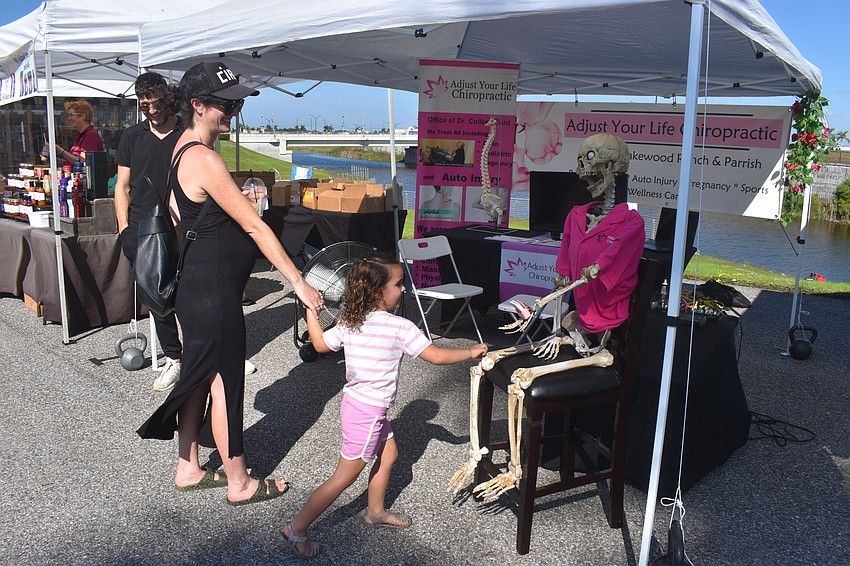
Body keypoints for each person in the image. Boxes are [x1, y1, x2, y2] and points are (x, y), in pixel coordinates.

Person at [137, 62, 323, 505]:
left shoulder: (179, 149)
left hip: (197, 287)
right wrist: (299, 283)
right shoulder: (204, 157)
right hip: (213, 292)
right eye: (227, 103)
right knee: (225, 382)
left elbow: (185, 222)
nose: (234, 112)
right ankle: (239, 482)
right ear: (197, 105)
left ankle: (188, 468)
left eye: (237, 102)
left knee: (199, 377)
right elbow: (258, 229)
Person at [279, 252, 488, 559]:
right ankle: (297, 528)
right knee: (343, 477)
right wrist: (470, 352)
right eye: (399, 284)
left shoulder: (352, 321)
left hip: (358, 407)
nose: (404, 289)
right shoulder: (399, 327)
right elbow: (437, 356)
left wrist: (311, 311)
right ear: (378, 291)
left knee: (389, 453)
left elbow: (320, 345)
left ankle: (375, 511)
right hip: (368, 415)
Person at [115, 72, 186, 392]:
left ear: (166, 99)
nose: (152, 111)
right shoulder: (132, 136)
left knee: (194, 291)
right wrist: (123, 231)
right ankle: (175, 358)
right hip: (143, 229)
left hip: (183, 226)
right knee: (157, 297)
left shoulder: (186, 132)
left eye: (157, 104)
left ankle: (211, 352)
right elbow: (123, 186)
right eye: (145, 106)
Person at [46, 100, 104, 164]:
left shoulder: (91, 136)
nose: (69, 118)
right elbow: (73, 162)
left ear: (83, 116)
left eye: (71, 115)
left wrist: (61, 150)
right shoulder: (80, 135)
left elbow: (82, 161)